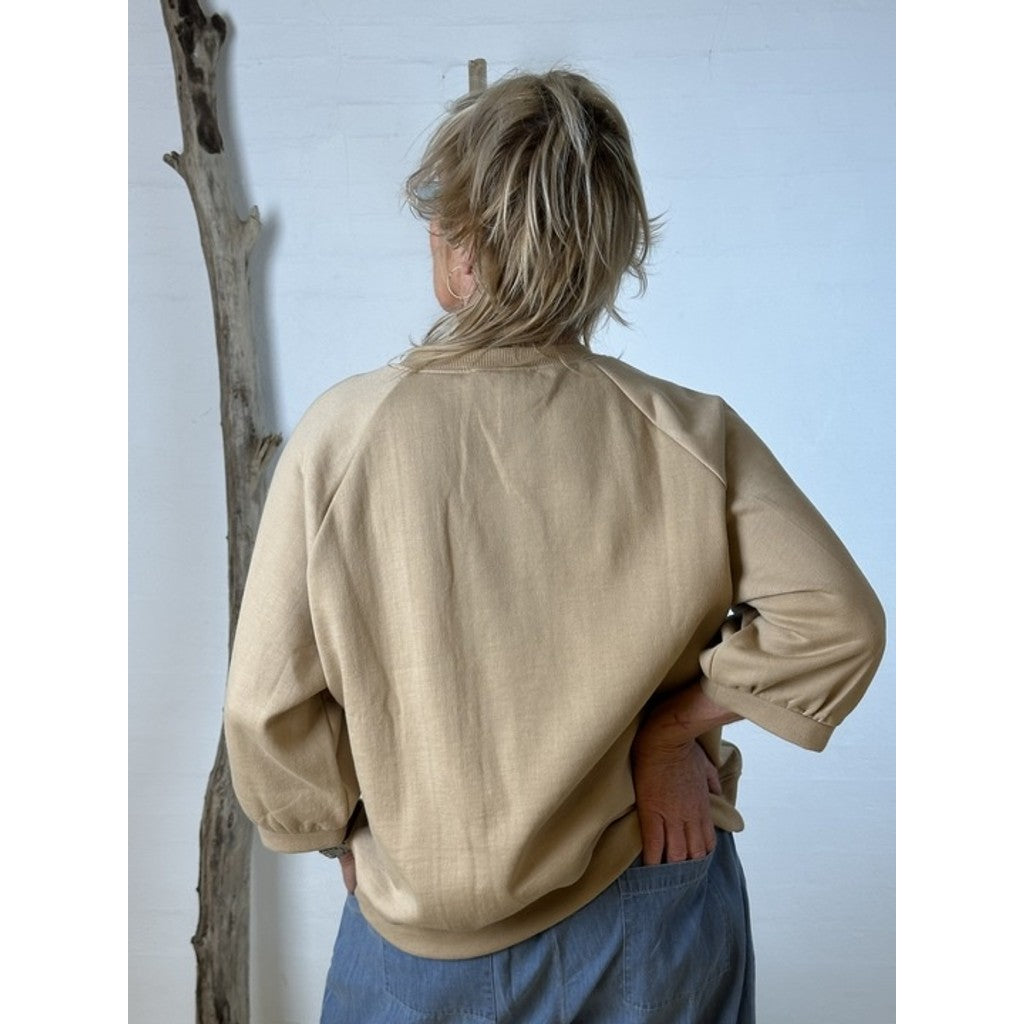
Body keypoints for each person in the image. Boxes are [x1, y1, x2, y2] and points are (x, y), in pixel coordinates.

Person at [224, 69, 885, 1024]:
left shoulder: (344, 437)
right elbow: (837, 621)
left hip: (422, 933)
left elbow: (266, 711)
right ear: (608, 251)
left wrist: (338, 830)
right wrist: (671, 731)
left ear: (461, 247)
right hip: (650, 892)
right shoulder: (687, 433)